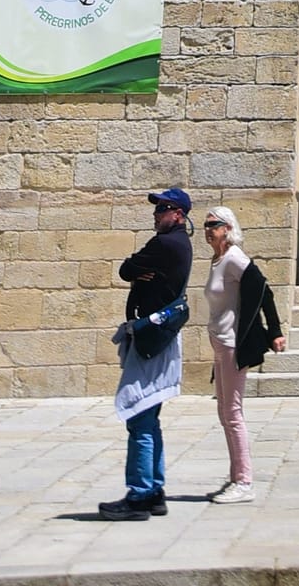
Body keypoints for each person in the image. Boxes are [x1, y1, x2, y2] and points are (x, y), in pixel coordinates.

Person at [100, 186, 194, 521]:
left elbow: (126, 269)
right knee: (149, 416)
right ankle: (154, 491)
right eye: (156, 209)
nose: (156, 215)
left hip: (152, 343)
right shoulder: (178, 243)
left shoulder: (167, 244)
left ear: (178, 215)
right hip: (159, 340)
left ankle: (139, 495)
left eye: (163, 209)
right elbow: (131, 269)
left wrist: (137, 269)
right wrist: (138, 269)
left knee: (137, 414)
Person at [202, 205, 283, 503]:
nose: (209, 229)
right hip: (219, 343)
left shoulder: (235, 258)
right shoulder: (217, 259)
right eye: (206, 225)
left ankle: (244, 482)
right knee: (224, 412)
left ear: (228, 228)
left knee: (233, 413)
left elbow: (264, 290)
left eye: (215, 224)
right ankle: (236, 475)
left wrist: (274, 330)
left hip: (233, 344)